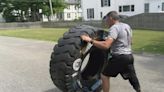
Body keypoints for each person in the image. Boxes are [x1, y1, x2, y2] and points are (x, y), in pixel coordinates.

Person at [81, 11, 141, 92]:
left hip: (119, 57)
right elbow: (131, 42)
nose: (105, 22)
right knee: (132, 76)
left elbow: (106, 46)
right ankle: (139, 90)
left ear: (111, 18)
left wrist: (90, 40)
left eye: (106, 19)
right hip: (129, 56)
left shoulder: (114, 28)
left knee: (104, 76)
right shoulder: (126, 26)